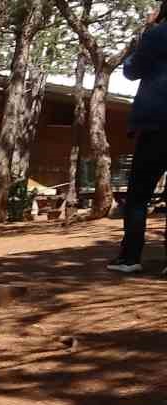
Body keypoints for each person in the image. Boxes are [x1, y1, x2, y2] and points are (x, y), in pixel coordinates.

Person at [109, 1, 167, 274]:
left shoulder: (157, 34)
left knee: (138, 196)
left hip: (156, 125)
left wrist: (148, 29)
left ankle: (130, 258)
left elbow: (131, 71)